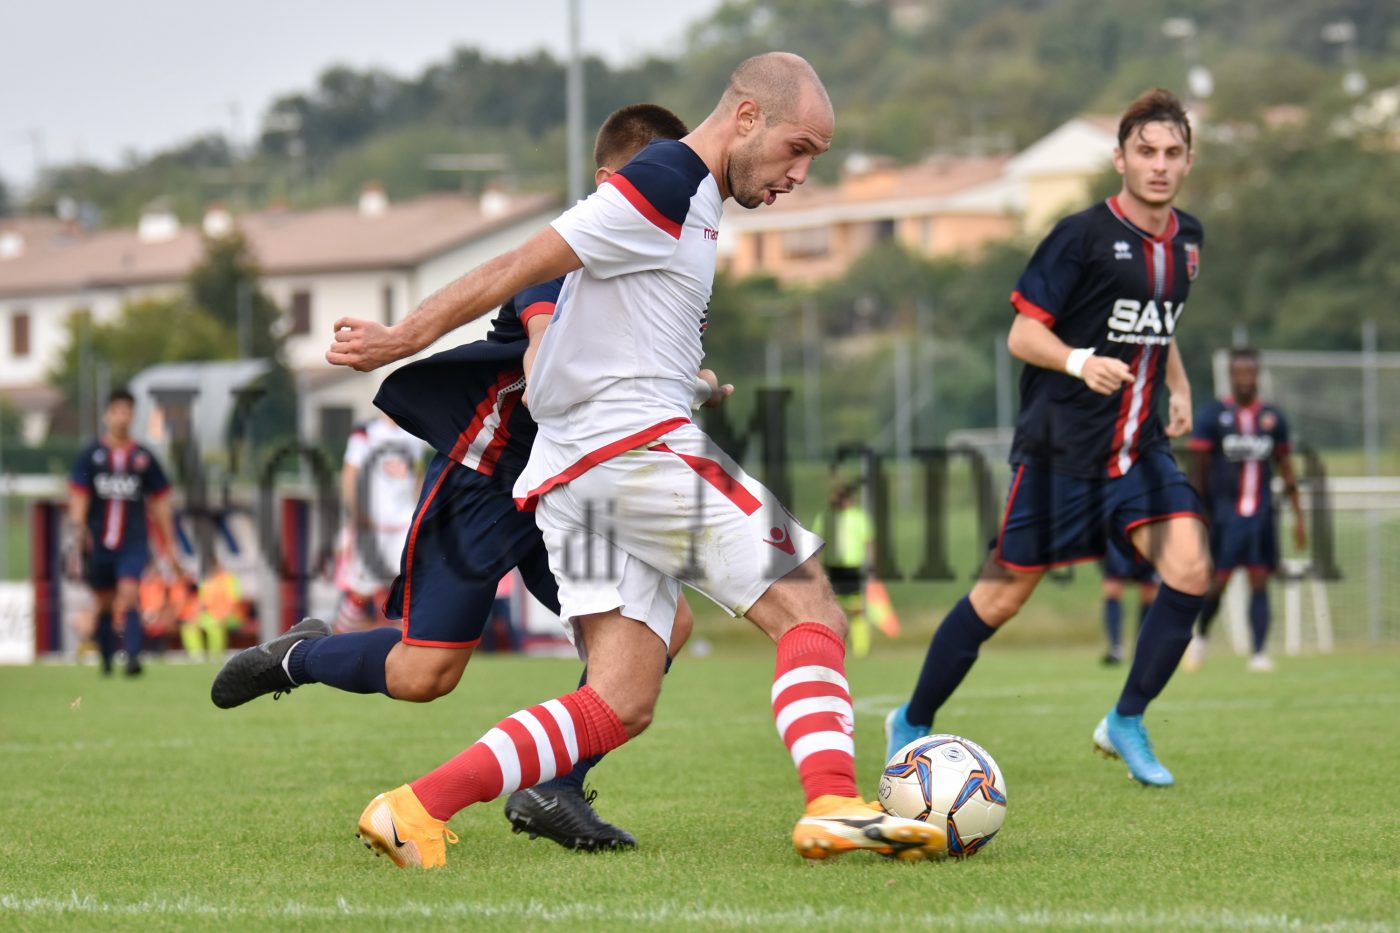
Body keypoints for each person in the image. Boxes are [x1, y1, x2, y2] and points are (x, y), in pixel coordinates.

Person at [326, 53, 945, 869]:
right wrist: (400, 338)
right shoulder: (667, 178)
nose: (800, 173)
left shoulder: (693, 199)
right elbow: (518, 265)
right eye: (798, 148)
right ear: (747, 117)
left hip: (578, 469)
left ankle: (413, 808)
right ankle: (832, 801)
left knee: (620, 698)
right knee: (810, 606)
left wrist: (685, 382)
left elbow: (613, 329)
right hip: (632, 451)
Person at [213, 104, 708, 855]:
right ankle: (298, 656)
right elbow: (546, 346)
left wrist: (689, 385)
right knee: (424, 674)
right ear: (611, 182)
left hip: (571, 487)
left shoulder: (657, 270)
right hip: (488, 480)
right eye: (661, 177)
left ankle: (556, 786)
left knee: (665, 628)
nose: (676, 195)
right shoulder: (570, 257)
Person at [886, 88, 1211, 788]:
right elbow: (1023, 333)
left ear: (1189, 161)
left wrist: (1179, 386)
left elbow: (1160, 321)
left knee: (1190, 568)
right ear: (1120, 158)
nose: (1159, 164)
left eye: (1172, 152)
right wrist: (1079, 361)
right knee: (999, 599)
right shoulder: (1080, 236)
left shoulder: (1188, 240)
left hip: (1139, 452)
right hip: (1060, 453)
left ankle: (1125, 719)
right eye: (1146, 152)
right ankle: (910, 719)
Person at [1184, 347, 1305, 672]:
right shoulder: (1213, 416)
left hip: (1262, 516)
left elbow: (1286, 468)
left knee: (1259, 579)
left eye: (1250, 373)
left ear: (1258, 375)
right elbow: (1198, 470)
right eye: (1239, 373)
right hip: (1223, 517)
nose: (1245, 379)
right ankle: (1201, 637)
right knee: (1218, 583)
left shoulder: (1273, 418)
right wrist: (1196, 514)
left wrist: (1299, 517)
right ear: (1230, 376)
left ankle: (1258, 652)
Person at [68, 389, 177, 676]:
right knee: (104, 602)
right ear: (107, 415)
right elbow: (79, 495)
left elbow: (161, 501)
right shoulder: (91, 456)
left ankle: (132, 659)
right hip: (99, 541)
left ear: (133, 416)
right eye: (116, 411)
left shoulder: (143, 458)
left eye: (126, 412)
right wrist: (78, 530)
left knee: (129, 593)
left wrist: (169, 541)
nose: (121, 417)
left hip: (133, 540)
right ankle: (106, 658)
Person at [333, 414, 424, 632]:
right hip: (374, 525)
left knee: (410, 586)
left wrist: (421, 511)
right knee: (361, 590)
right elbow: (349, 474)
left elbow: (417, 475)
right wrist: (357, 513)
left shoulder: (415, 432)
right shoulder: (366, 433)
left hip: (404, 524)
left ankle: (408, 639)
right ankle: (335, 637)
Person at [811, 484, 874, 657]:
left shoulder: (859, 517)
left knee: (857, 609)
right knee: (829, 609)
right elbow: (816, 543)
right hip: (832, 568)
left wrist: (871, 566)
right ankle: (830, 646)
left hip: (853, 568)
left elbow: (869, 542)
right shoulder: (825, 517)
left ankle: (861, 649)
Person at [1098, 539, 1158, 665]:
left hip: (1147, 537)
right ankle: (1115, 648)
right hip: (1118, 537)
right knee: (1112, 589)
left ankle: (1141, 647)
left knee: (1149, 594)